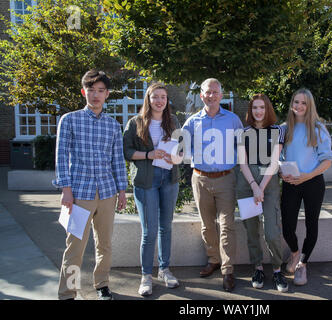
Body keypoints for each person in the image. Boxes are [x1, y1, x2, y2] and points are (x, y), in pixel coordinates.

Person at [53, 70, 128, 300]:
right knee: (75, 247)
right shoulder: (70, 120)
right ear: (84, 92)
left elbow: (117, 159)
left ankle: (102, 284)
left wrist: (122, 190)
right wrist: (66, 189)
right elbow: (61, 156)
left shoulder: (113, 126)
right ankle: (68, 292)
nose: (96, 95)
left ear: (107, 94)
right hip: (79, 193)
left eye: (101, 91)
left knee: (104, 244)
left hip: (107, 193)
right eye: (91, 90)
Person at [182, 78, 243, 292]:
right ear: (201, 95)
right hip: (200, 178)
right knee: (207, 224)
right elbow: (181, 148)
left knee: (227, 225)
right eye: (208, 92)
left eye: (215, 92)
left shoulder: (233, 120)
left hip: (226, 178)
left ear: (221, 94)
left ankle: (227, 270)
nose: (212, 95)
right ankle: (213, 259)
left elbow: (242, 148)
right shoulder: (191, 122)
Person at [123, 82, 181, 296]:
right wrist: (149, 154)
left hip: (169, 178)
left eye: (163, 97)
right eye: (155, 97)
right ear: (148, 99)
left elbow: (180, 151)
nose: (159, 101)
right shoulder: (135, 122)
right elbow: (127, 152)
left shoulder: (173, 121)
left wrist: (175, 155)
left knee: (166, 227)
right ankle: (146, 275)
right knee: (149, 231)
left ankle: (164, 269)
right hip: (146, 180)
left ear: (167, 100)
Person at [280, 88, 332, 286]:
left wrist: (307, 176)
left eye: (303, 103)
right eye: (296, 102)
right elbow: (278, 157)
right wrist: (281, 171)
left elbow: (327, 160)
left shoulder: (318, 129)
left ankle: (302, 264)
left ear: (309, 105)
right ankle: (294, 253)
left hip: (312, 182)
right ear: (291, 104)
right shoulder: (284, 128)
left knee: (312, 225)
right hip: (290, 182)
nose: (299, 106)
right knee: (287, 227)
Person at [236, 94, 288, 292]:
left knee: (272, 230)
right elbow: (243, 162)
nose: (259, 111)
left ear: (268, 110)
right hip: (246, 182)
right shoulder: (244, 132)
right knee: (251, 228)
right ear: (250, 110)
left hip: (269, 182)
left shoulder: (277, 131)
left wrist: (261, 187)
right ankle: (257, 267)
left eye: (262, 108)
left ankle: (277, 269)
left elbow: (274, 162)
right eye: (255, 108)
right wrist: (253, 185)